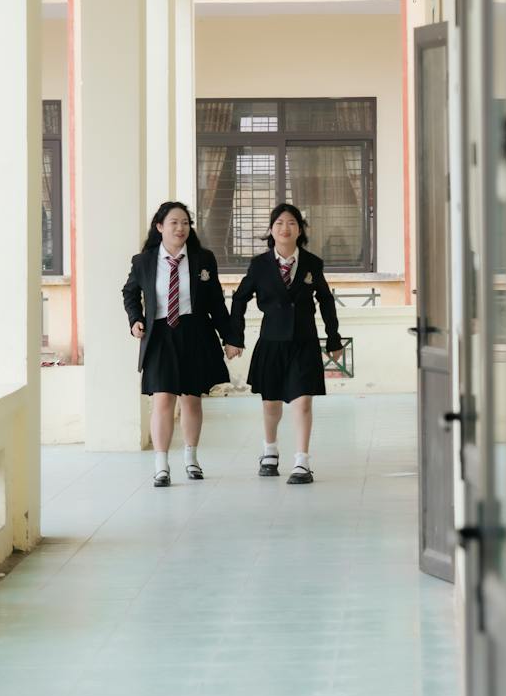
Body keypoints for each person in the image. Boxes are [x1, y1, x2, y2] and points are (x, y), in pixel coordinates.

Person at [226, 203, 344, 484]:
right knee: (271, 404)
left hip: (304, 342)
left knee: (303, 402)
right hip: (272, 343)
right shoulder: (259, 265)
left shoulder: (312, 263)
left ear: (299, 229)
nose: (285, 228)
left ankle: (302, 461)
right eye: (279, 223)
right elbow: (240, 299)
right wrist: (234, 338)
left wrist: (334, 338)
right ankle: (270, 450)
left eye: (291, 222)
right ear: (271, 230)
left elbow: (326, 301)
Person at [122, 201, 236, 487]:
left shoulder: (203, 259)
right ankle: (161, 465)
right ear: (159, 226)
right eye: (174, 222)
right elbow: (130, 292)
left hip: (194, 332)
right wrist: (135, 319)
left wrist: (230, 338)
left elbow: (216, 304)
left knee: (191, 399)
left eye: (185, 222)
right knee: (162, 398)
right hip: (159, 334)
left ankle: (191, 458)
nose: (180, 228)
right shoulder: (144, 261)